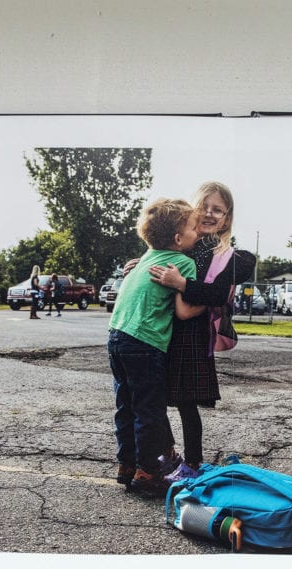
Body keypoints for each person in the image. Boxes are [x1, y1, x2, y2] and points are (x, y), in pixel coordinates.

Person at [139, 182, 256, 482]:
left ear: (227, 219)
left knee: (187, 404)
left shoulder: (226, 255)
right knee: (156, 397)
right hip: (163, 330)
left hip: (192, 334)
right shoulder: (181, 245)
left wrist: (182, 284)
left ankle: (192, 462)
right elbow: (157, 261)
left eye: (217, 209)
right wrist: (138, 266)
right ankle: (168, 455)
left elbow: (217, 293)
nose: (209, 213)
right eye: (203, 207)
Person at [108, 198, 200, 496]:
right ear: (177, 238)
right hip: (145, 342)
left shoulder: (144, 258)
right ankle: (148, 472)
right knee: (149, 409)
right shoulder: (183, 263)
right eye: (192, 228)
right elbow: (185, 310)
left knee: (126, 403)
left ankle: (127, 464)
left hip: (116, 335)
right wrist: (215, 302)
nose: (197, 233)